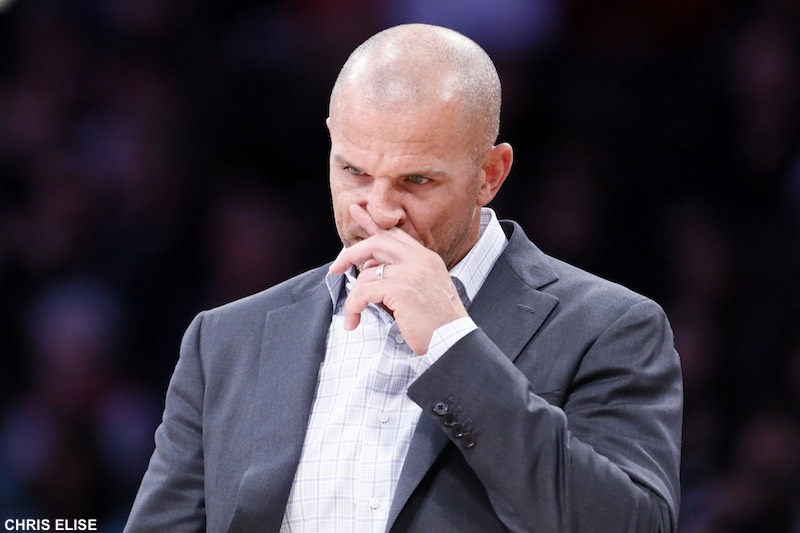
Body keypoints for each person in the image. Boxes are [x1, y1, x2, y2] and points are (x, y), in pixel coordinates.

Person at [124, 23, 682, 532]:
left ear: (490, 174)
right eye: (354, 172)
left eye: (416, 180)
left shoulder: (610, 328)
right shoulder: (225, 340)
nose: (380, 209)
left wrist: (453, 345)